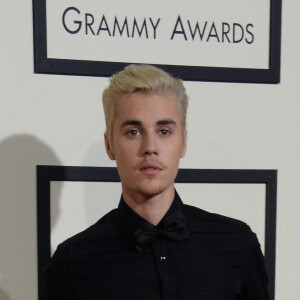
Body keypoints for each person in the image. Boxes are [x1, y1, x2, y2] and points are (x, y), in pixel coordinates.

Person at [44, 64, 269, 299]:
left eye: (164, 131)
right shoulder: (73, 262)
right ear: (109, 145)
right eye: (133, 132)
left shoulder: (237, 245)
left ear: (183, 142)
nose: (150, 148)